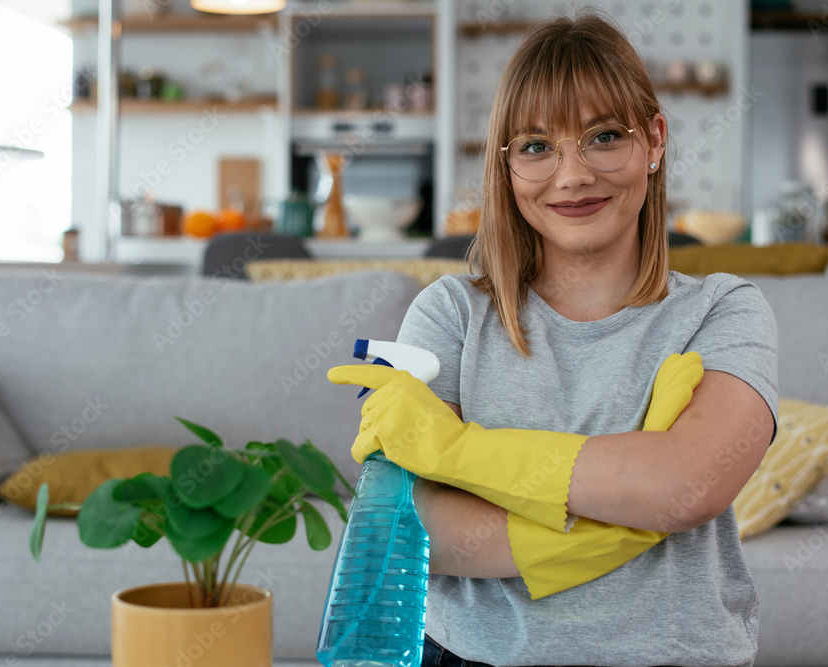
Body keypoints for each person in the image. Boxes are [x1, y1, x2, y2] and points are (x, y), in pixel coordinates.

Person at [328, 10, 778, 667]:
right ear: (506, 166)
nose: (572, 175)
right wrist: (628, 510)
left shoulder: (724, 310)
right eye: (536, 146)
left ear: (654, 141)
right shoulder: (450, 314)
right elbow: (416, 527)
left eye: (604, 136)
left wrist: (455, 448)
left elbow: (690, 484)